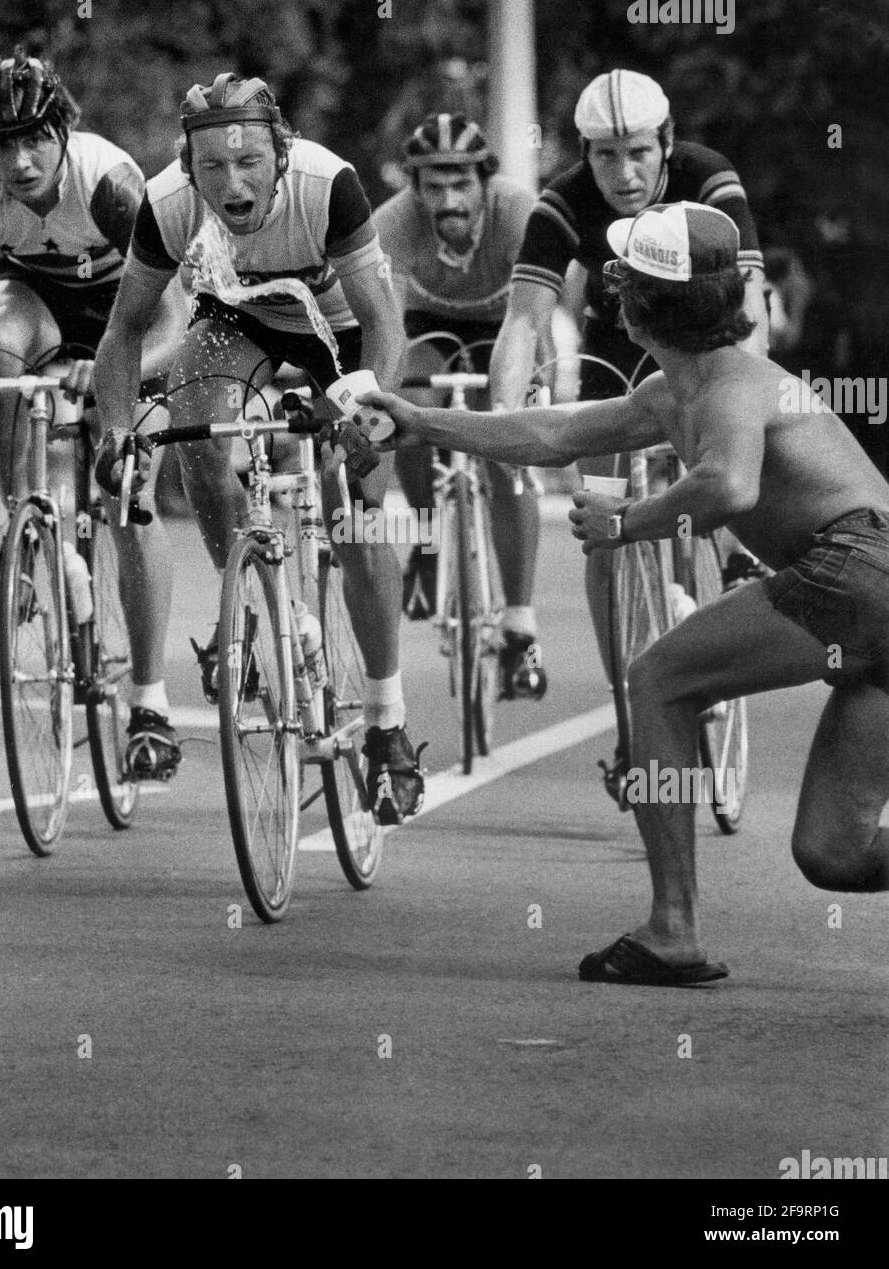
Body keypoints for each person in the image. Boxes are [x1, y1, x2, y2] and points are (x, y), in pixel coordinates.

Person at [361, 200, 889, 985]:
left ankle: (673, 929)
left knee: (656, 678)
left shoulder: (735, 385)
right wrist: (422, 424)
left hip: (858, 569)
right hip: (866, 592)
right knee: (833, 853)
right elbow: (553, 432)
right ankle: (673, 925)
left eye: (620, 280)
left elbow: (729, 486)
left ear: (638, 303)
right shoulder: (676, 388)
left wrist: (626, 522)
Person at [92, 72, 426, 825]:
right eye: (212, 167)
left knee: (359, 508)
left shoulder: (325, 182)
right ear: (189, 168)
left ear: (279, 152)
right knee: (195, 436)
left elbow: (384, 321)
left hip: (339, 327)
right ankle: (253, 598)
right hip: (237, 320)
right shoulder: (168, 203)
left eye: (247, 164)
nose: (231, 182)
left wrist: (365, 411)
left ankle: (386, 721)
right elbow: (123, 330)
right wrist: (117, 427)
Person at [491, 70, 771, 783]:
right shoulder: (561, 202)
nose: (623, 172)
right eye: (605, 155)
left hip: (709, 334)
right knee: (601, 524)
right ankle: (629, 715)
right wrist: (503, 422)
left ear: (667, 143)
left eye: (639, 153)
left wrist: (736, 400)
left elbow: (750, 302)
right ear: (584, 153)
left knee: (728, 441)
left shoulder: (709, 178)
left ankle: (736, 557)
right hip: (617, 338)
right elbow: (522, 322)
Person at [0, 49, 185, 780]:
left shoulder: (109, 183)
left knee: (128, 497)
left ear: (62, 132)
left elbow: (173, 320)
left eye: (36, 138)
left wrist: (111, 375)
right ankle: (20, 524)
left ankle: (150, 706)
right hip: (40, 306)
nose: (22, 159)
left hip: (133, 322)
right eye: (3, 144)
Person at [372, 112, 548, 698]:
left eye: (461, 184)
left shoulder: (521, 213)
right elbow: (388, 326)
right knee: (408, 407)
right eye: (433, 186)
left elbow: (535, 318)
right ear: (414, 190)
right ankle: (426, 541)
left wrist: (534, 392)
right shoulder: (392, 224)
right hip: (428, 322)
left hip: (505, 323)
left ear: (485, 182)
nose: (448, 199)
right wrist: (385, 394)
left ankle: (519, 620)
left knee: (506, 440)